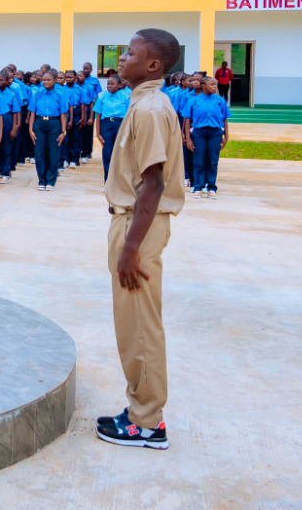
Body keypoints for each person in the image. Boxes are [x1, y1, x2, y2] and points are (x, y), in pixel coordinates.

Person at [97, 28, 185, 450]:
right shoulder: (143, 102)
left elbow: (152, 183)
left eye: (130, 52)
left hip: (140, 226)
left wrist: (130, 249)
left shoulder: (150, 109)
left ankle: (147, 422)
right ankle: (139, 409)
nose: (121, 57)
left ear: (153, 65)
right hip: (134, 221)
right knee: (132, 325)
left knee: (140, 328)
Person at [185, 76, 230, 198]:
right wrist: (188, 138)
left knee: (213, 161)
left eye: (216, 84)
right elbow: (187, 120)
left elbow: (225, 119)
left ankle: (211, 187)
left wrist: (226, 136)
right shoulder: (193, 101)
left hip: (215, 133)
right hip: (199, 133)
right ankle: (198, 186)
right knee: (199, 160)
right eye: (212, 84)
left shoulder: (220, 101)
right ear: (203, 86)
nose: (215, 87)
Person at [28, 70, 68, 191]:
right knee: (39, 153)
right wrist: (30, 129)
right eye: (44, 80)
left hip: (54, 124)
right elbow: (32, 113)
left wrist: (63, 131)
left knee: (53, 153)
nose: (46, 82)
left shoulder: (59, 94)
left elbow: (63, 114)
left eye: (49, 80)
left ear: (55, 81)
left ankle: (50, 181)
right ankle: (42, 180)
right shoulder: (38, 94)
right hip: (39, 124)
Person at [94, 74, 130, 183]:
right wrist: (98, 134)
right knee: (107, 152)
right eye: (108, 84)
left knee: (120, 153)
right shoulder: (102, 97)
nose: (109, 86)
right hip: (107, 125)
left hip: (121, 125)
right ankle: (108, 181)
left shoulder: (126, 96)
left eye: (112, 84)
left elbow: (130, 114)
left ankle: (119, 181)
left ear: (119, 85)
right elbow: (98, 115)